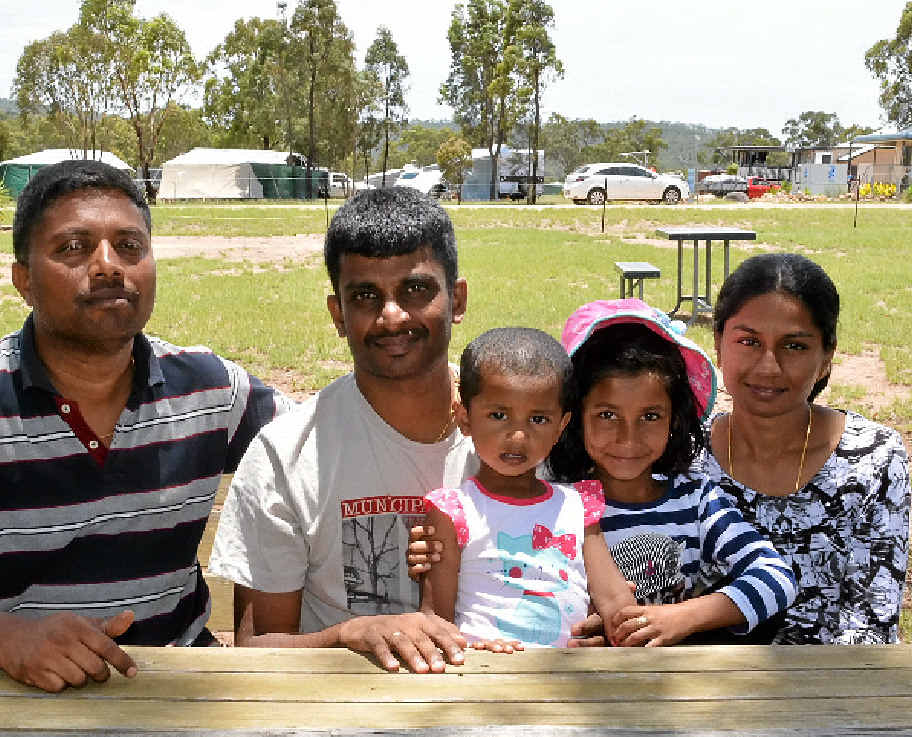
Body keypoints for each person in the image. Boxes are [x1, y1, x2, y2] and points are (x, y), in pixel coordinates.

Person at [0, 160, 289, 692]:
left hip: (179, 686)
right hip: (29, 690)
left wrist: (434, 389)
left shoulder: (212, 391)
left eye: (129, 246)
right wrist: (6, 638)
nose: (107, 265)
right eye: (73, 248)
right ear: (23, 281)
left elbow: (318, 441)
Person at [209, 187, 476, 673]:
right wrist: (347, 635)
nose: (391, 316)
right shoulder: (285, 455)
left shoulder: (518, 432)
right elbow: (256, 649)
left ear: (456, 300)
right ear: (338, 315)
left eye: (416, 290)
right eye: (365, 296)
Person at [546, 299, 797, 646]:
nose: (628, 438)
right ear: (575, 418)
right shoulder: (556, 505)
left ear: (674, 421)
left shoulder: (696, 500)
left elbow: (777, 578)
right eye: (607, 415)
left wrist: (683, 617)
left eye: (650, 416)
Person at [697, 253, 909, 644]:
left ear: (826, 358)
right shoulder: (683, 454)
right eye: (748, 341)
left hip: (830, 695)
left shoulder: (872, 461)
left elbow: (868, 630)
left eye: (793, 346)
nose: (768, 367)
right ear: (718, 345)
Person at [418, 327, 635, 650]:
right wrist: (473, 652)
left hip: (567, 680)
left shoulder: (578, 507)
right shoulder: (453, 510)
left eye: (538, 419)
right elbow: (435, 621)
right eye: (499, 415)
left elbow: (614, 597)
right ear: (464, 418)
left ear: (561, 426)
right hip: (481, 674)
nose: (518, 436)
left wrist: (625, 627)